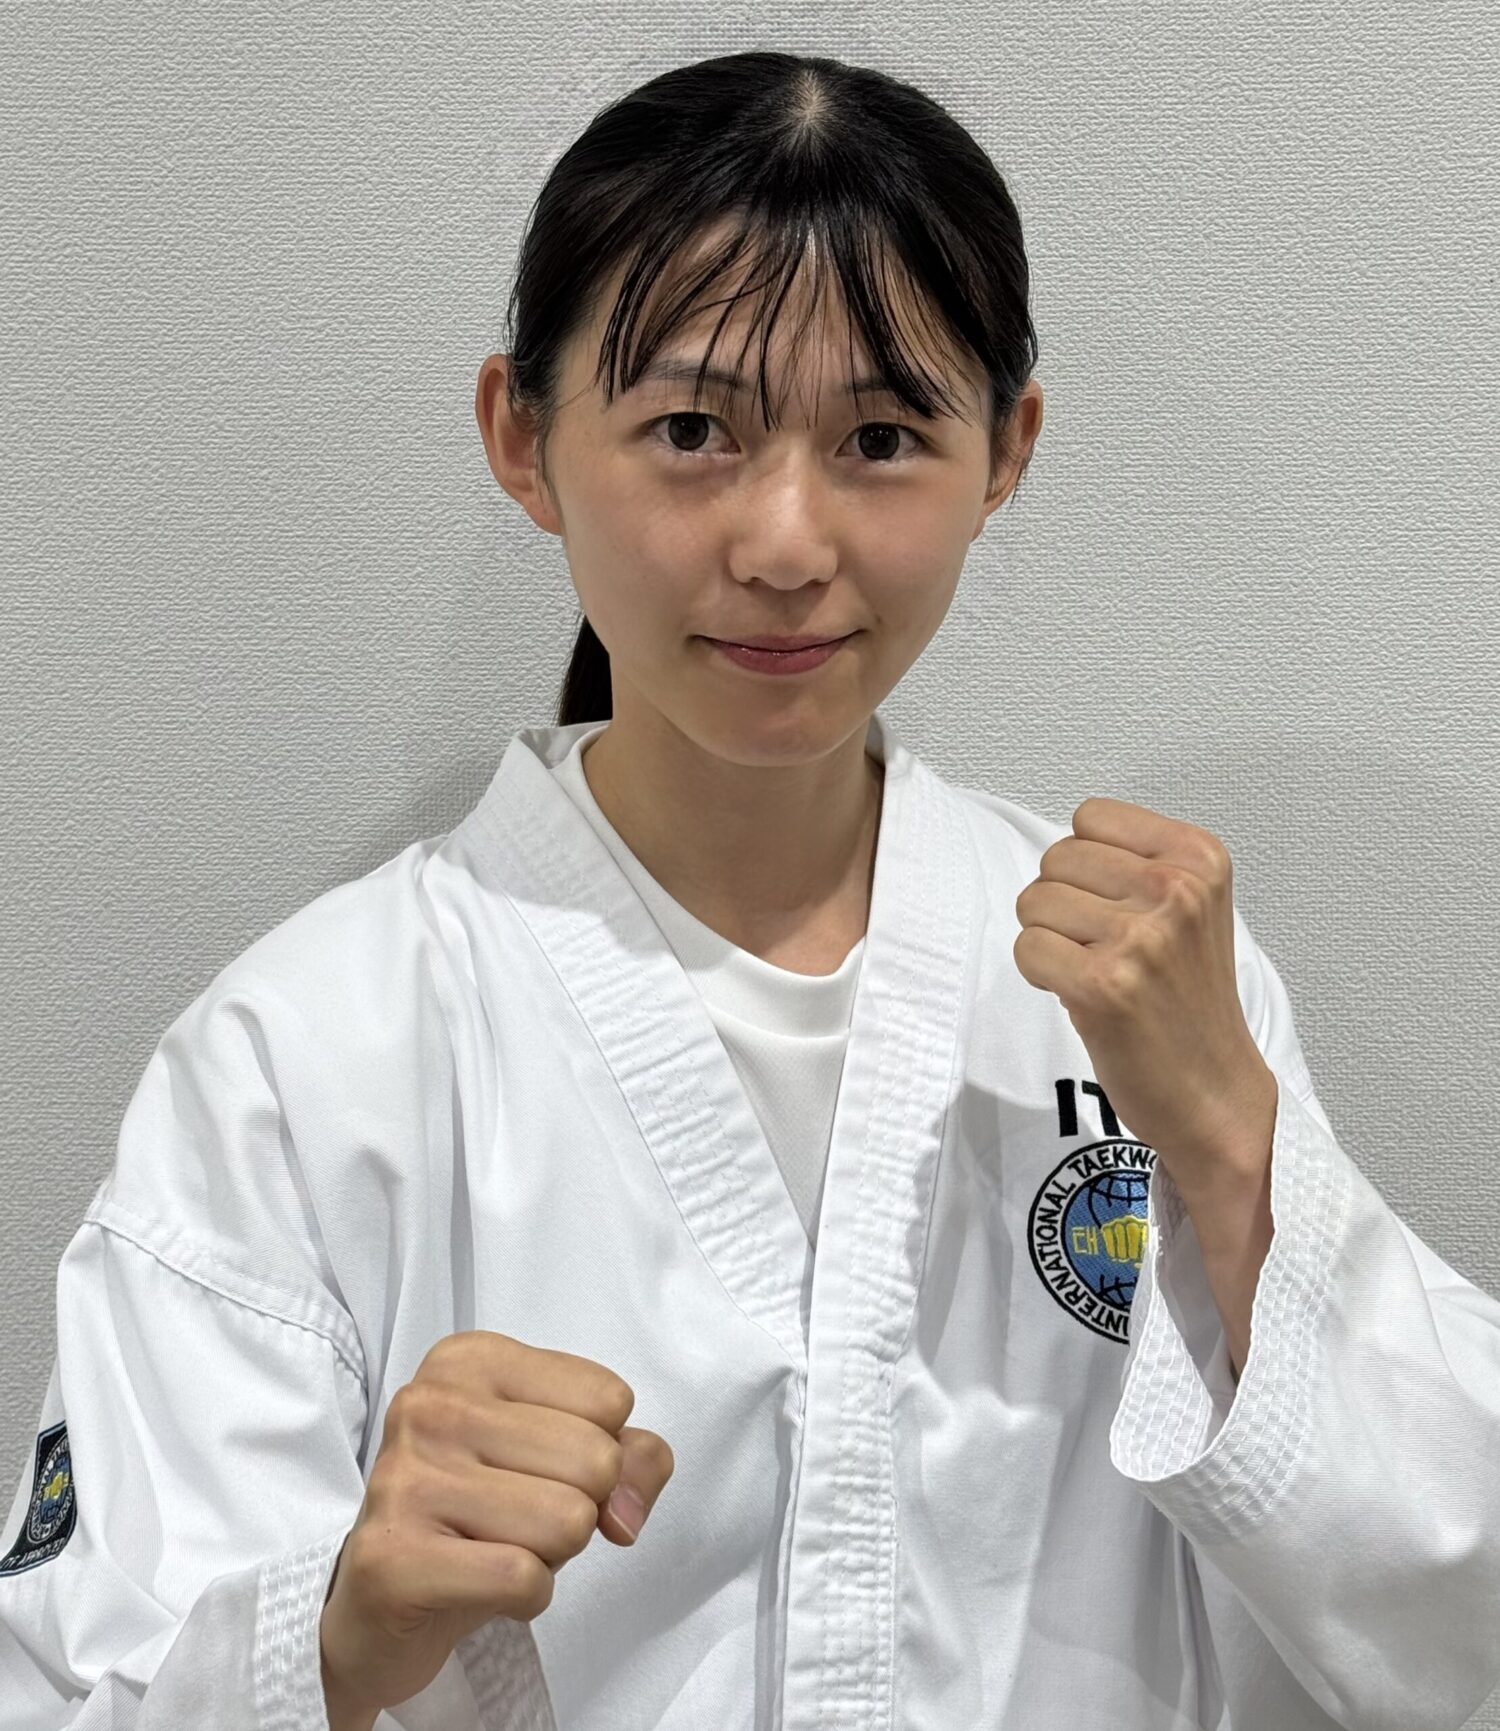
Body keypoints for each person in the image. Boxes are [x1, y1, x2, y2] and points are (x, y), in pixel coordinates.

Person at [3, 48, 1499, 1731]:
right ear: (522, 438)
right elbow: (75, 1691)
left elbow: (1462, 1632)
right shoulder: (306, 1055)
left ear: (1004, 451)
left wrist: (1232, 1142)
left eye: (882, 437)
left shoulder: (1153, 999)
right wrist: (333, 1638)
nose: (786, 543)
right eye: (692, 431)